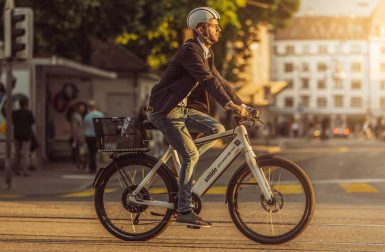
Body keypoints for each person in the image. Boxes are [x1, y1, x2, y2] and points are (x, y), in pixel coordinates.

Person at [148, 7, 247, 228]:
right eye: (214, 25)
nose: (219, 29)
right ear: (201, 29)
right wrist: (228, 104)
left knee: (217, 129)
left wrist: (241, 103)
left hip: (180, 109)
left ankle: (183, 164)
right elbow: (207, 80)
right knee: (190, 154)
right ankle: (183, 210)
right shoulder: (190, 51)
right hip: (165, 110)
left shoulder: (207, 53)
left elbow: (221, 82)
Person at [12, 97, 35, 176]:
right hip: (26, 135)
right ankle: (25, 171)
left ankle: (16, 170)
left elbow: (13, 121)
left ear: (19, 104)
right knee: (25, 154)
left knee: (17, 153)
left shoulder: (15, 113)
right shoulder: (29, 113)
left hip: (17, 135)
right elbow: (32, 121)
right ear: (26, 104)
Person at [84, 100, 104, 173]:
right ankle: (94, 166)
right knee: (95, 152)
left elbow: (85, 127)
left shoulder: (87, 116)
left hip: (89, 135)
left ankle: (91, 167)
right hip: (97, 135)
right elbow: (101, 126)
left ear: (89, 107)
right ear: (95, 106)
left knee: (90, 152)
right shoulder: (100, 115)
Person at [70, 103, 86, 169]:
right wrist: (74, 137)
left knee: (81, 151)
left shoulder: (79, 116)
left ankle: (81, 164)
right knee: (80, 151)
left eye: (83, 109)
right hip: (78, 136)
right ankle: (80, 164)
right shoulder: (76, 116)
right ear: (78, 109)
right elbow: (74, 127)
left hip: (81, 136)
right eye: (82, 109)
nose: (83, 110)